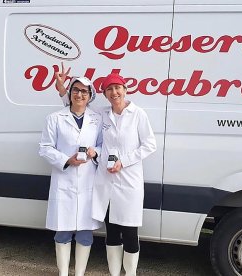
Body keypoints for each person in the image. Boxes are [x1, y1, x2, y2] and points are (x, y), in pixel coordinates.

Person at [56, 65, 157, 276]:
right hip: (106, 181)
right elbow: (75, 107)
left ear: (125, 89)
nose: (114, 93)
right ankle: (114, 273)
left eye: (118, 88)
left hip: (129, 181)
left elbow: (149, 145)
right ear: (104, 94)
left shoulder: (138, 114)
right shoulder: (101, 114)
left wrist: (124, 161)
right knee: (111, 231)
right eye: (109, 89)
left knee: (129, 231)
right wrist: (62, 89)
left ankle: (130, 274)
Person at [39, 76, 103, 276]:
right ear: (70, 93)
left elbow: (103, 145)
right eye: (76, 90)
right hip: (64, 179)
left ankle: (80, 273)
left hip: (87, 180)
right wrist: (67, 160)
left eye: (84, 91)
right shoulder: (55, 118)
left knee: (85, 231)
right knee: (63, 230)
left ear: (90, 95)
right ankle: (63, 273)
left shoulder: (97, 119)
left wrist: (96, 152)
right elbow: (45, 148)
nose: (80, 94)